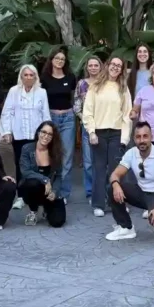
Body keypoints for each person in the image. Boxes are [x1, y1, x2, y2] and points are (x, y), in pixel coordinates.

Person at [105, 122, 154, 242]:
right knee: (111, 188)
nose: (142, 140)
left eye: (145, 136)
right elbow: (115, 174)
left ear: (151, 137)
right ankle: (126, 228)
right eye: (138, 137)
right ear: (134, 139)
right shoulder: (131, 153)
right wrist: (116, 185)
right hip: (141, 191)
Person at [81, 56, 132, 217]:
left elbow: (127, 115)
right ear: (107, 65)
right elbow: (87, 111)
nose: (115, 67)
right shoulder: (95, 86)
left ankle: (118, 202)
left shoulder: (123, 88)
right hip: (99, 133)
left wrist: (124, 139)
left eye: (119, 65)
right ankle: (98, 204)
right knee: (99, 169)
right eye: (113, 64)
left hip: (117, 133)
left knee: (116, 169)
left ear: (121, 70)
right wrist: (91, 132)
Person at [0, 64, 51, 209]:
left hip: (36, 136)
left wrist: (47, 133)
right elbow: (7, 112)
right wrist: (7, 131)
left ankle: (38, 194)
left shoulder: (42, 92)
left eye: (31, 75)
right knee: (21, 165)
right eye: (25, 75)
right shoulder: (13, 91)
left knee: (38, 164)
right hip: (19, 134)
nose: (28, 77)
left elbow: (45, 114)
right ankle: (21, 196)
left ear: (35, 77)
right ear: (21, 77)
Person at [40, 47, 76, 201]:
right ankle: (50, 190)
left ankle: (63, 193)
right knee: (52, 155)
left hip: (68, 118)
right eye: (57, 58)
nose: (60, 61)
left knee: (67, 156)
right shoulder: (44, 78)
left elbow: (74, 98)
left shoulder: (70, 77)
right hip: (51, 118)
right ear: (51, 60)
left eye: (62, 59)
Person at [18, 121, 67, 228]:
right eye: (44, 132)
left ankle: (47, 208)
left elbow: (58, 176)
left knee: (57, 222)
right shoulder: (27, 148)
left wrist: (54, 192)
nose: (46, 136)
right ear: (38, 132)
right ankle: (33, 210)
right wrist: (45, 180)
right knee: (32, 183)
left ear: (53, 137)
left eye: (50, 134)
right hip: (34, 189)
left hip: (49, 191)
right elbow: (25, 171)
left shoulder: (56, 152)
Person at [74, 57, 103, 200]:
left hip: (104, 126)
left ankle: (103, 191)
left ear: (100, 67)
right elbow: (77, 106)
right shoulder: (82, 84)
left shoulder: (106, 83)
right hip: (87, 127)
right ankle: (91, 192)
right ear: (87, 68)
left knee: (103, 162)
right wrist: (85, 119)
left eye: (96, 65)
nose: (93, 68)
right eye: (90, 65)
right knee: (88, 162)